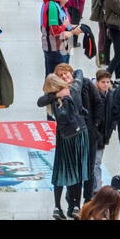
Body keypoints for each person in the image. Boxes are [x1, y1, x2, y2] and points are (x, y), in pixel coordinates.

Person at [38, 71, 90, 218]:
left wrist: (55, 94)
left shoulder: (53, 100)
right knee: (78, 170)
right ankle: (75, 206)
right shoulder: (74, 89)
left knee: (62, 170)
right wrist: (71, 76)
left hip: (64, 137)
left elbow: (39, 102)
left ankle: (57, 206)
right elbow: (80, 72)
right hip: (80, 135)